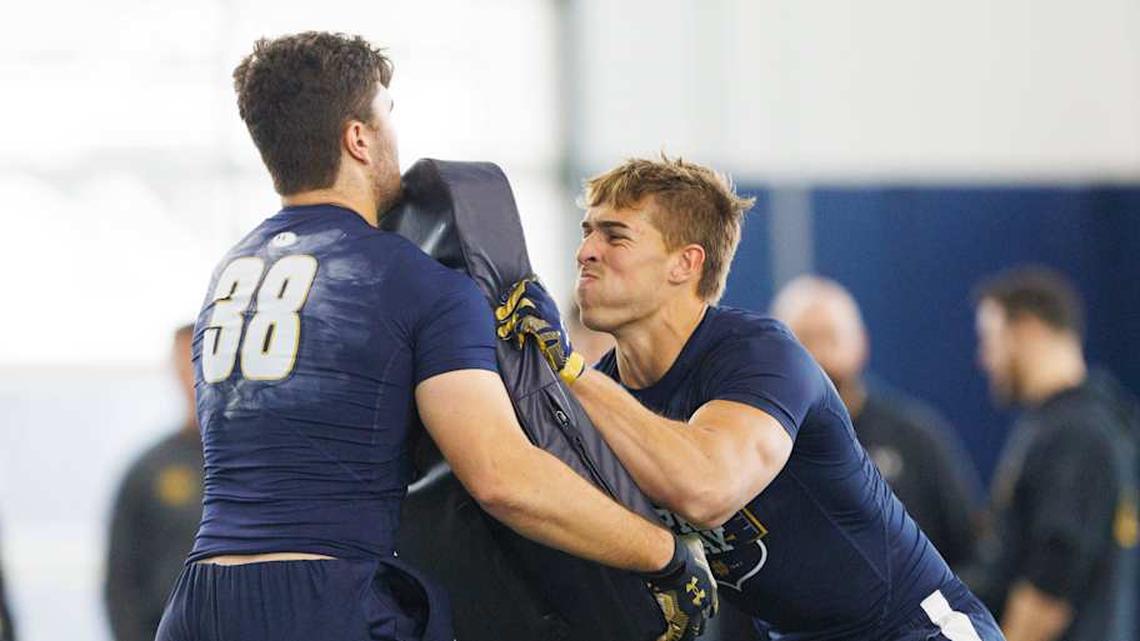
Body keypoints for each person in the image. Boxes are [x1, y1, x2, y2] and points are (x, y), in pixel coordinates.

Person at [155, 32, 713, 641]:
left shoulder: (230, 276)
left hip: (198, 603)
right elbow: (503, 479)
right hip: (324, 601)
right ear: (359, 138)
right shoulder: (414, 282)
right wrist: (664, 555)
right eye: (387, 114)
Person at [496, 155, 1004, 640]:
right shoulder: (598, 391)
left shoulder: (760, 356)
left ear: (685, 263)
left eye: (615, 235)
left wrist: (571, 372)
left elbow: (707, 489)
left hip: (913, 630)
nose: (586, 251)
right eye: (587, 232)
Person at [770, 275, 981, 570]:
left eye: (831, 337)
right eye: (804, 340)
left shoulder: (914, 438)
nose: (819, 355)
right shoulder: (761, 447)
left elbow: (972, 550)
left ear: (861, 343)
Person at [972, 266, 1138, 641]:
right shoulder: (1062, 423)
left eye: (990, 340)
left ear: (1027, 330)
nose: (984, 359)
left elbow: (1051, 587)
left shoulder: (1078, 432)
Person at [104, 325, 202, 641]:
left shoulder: (262, 463)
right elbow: (121, 580)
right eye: (185, 363)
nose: (194, 377)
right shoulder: (149, 470)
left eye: (200, 362)